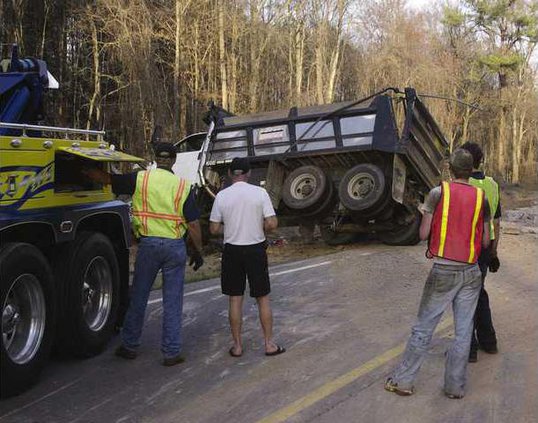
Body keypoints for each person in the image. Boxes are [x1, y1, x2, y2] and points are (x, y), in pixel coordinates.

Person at [384, 148, 491, 399]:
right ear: (472, 169)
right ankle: (455, 387)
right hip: (471, 271)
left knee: (424, 327)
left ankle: (404, 381)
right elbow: (485, 240)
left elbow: (422, 234)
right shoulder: (481, 197)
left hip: (444, 269)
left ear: (450, 169)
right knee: (464, 332)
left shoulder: (437, 193)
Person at [84, 142, 204, 366]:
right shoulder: (182, 186)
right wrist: (198, 250)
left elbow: (108, 179)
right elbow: (194, 224)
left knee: (139, 296)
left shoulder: (141, 179)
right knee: (173, 300)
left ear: (156, 158)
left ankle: (129, 345)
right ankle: (171, 352)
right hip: (174, 247)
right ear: (175, 161)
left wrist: (85, 170)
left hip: (148, 246)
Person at [209, 157, 285, 358]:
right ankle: (269, 344)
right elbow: (272, 223)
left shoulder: (222, 196)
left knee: (235, 298)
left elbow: (214, 228)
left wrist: (231, 226)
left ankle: (237, 346)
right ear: (249, 173)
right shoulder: (259, 193)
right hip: (255, 249)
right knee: (262, 298)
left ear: (229, 174)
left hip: (232, 250)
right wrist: (257, 225)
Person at [461, 141, 501, 362]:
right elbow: (496, 221)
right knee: (479, 292)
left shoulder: (463, 185)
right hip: (486, 248)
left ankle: (469, 349)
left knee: (467, 297)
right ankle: (489, 341)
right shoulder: (493, 184)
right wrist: (494, 252)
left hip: (467, 248)